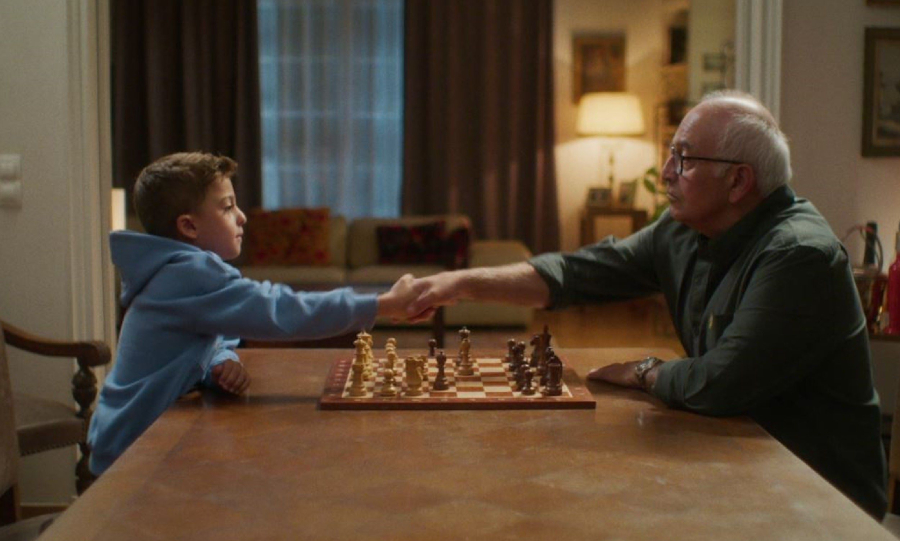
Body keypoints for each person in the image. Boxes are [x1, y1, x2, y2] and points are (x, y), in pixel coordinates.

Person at [406, 91, 887, 519]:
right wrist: (458, 283)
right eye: (671, 154)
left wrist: (645, 371)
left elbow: (720, 382)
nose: (666, 172)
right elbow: (575, 274)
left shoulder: (799, 255)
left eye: (684, 158)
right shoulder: (682, 231)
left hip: (819, 501)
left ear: (738, 182)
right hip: (738, 463)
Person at [88, 152, 418, 476]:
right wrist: (382, 303)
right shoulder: (190, 273)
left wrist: (218, 361)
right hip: (133, 450)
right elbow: (280, 311)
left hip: (126, 436)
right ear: (189, 226)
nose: (242, 217)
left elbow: (205, 334)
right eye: (227, 207)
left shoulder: (174, 270)